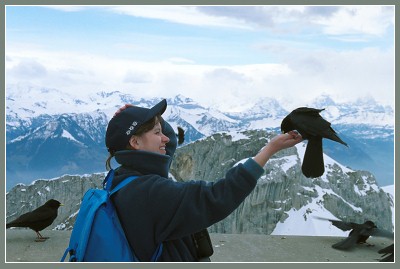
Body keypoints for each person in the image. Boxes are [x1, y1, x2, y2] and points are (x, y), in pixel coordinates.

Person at [105, 99, 302, 262]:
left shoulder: (124, 177)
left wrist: (144, 116)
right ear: (135, 142)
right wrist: (269, 150)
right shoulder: (150, 193)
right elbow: (216, 196)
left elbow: (169, 143)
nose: (165, 138)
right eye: (157, 132)